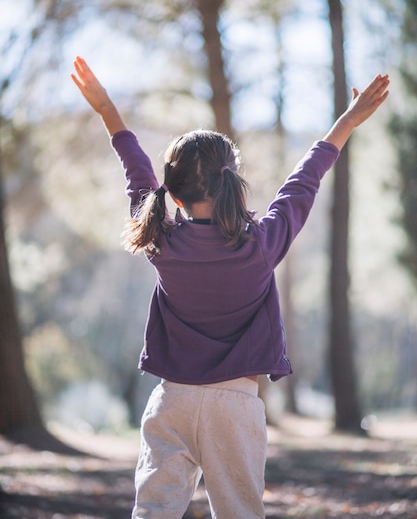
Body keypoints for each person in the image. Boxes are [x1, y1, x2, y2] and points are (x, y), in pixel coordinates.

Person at [71, 56, 389, 519]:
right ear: (231, 185)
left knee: (154, 510)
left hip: (172, 400)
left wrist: (106, 110)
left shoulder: (161, 239)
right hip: (235, 406)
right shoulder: (261, 245)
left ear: (173, 196)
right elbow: (304, 180)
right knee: (240, 512)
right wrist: (349, 119)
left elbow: (135, 168)